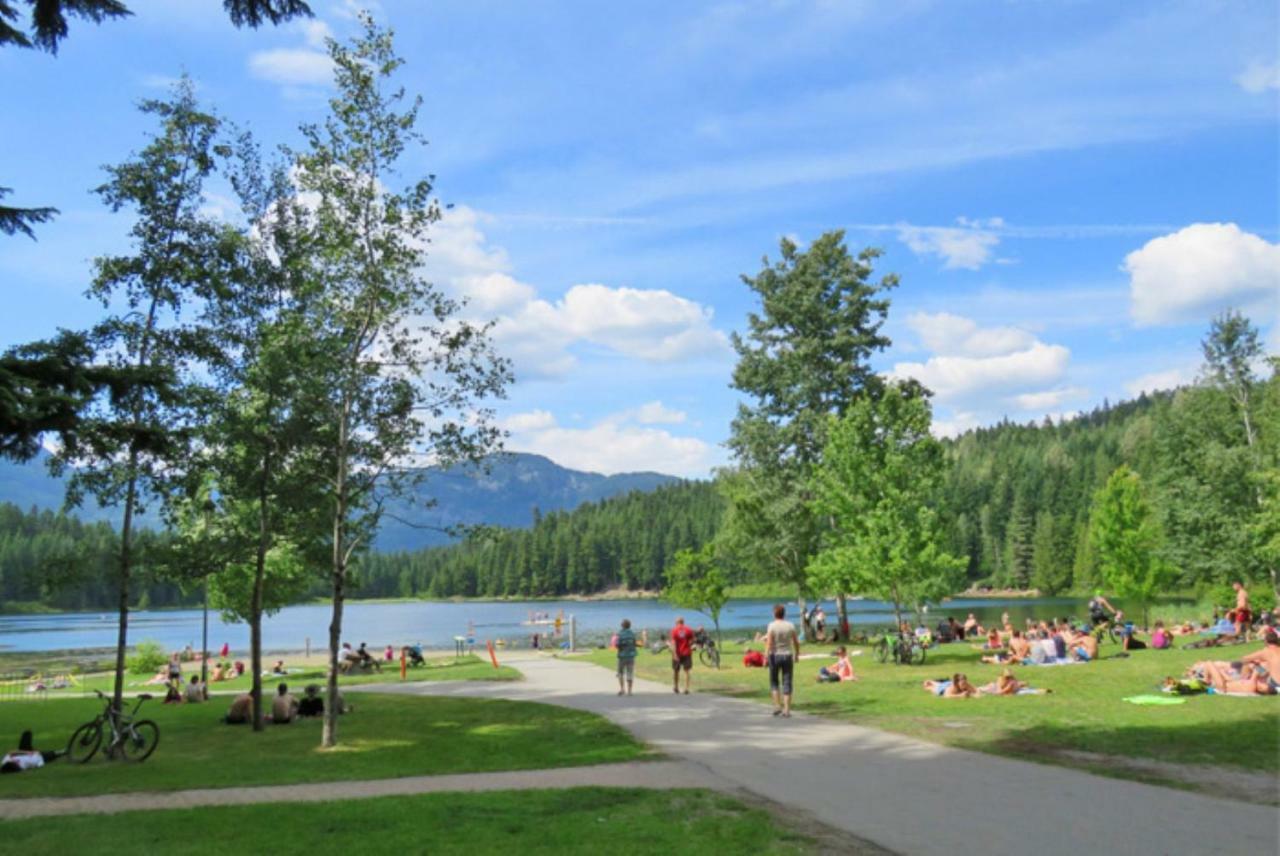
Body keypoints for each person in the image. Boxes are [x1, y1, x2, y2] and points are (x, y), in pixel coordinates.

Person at [766, 603, 800, 717]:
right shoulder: (790, 625)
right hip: (787, 655)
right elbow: (796, 641)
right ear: (784, 614)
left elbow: (769, 643)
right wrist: (797, 654)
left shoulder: (771, 626)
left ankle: (777, 706)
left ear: (774, 613)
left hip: (775, 655)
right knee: (787, 682)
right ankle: (787, 710)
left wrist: (766, 656)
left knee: (774, 681)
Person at [670, 617, 696, 694]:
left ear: (676, 622)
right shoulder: (689, 629)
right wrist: (689, 645)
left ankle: (676, 687)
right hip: (687, 653)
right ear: (683, 622)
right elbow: (692, 640)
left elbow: (673, 643)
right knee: (687, 671)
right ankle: (686, 688)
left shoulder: (674, 630)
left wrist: (674, 654)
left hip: (677, 653)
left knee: (676, 671)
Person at [615, 618, 637, 696]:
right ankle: (630, 691)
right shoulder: (632, 634)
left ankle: (622, 689)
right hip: (631, 656)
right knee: (630, 673)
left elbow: (617, 645)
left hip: (622, 656)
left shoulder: (620, 634)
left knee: (620, 673)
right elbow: (634, 643)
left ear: (622, 626)